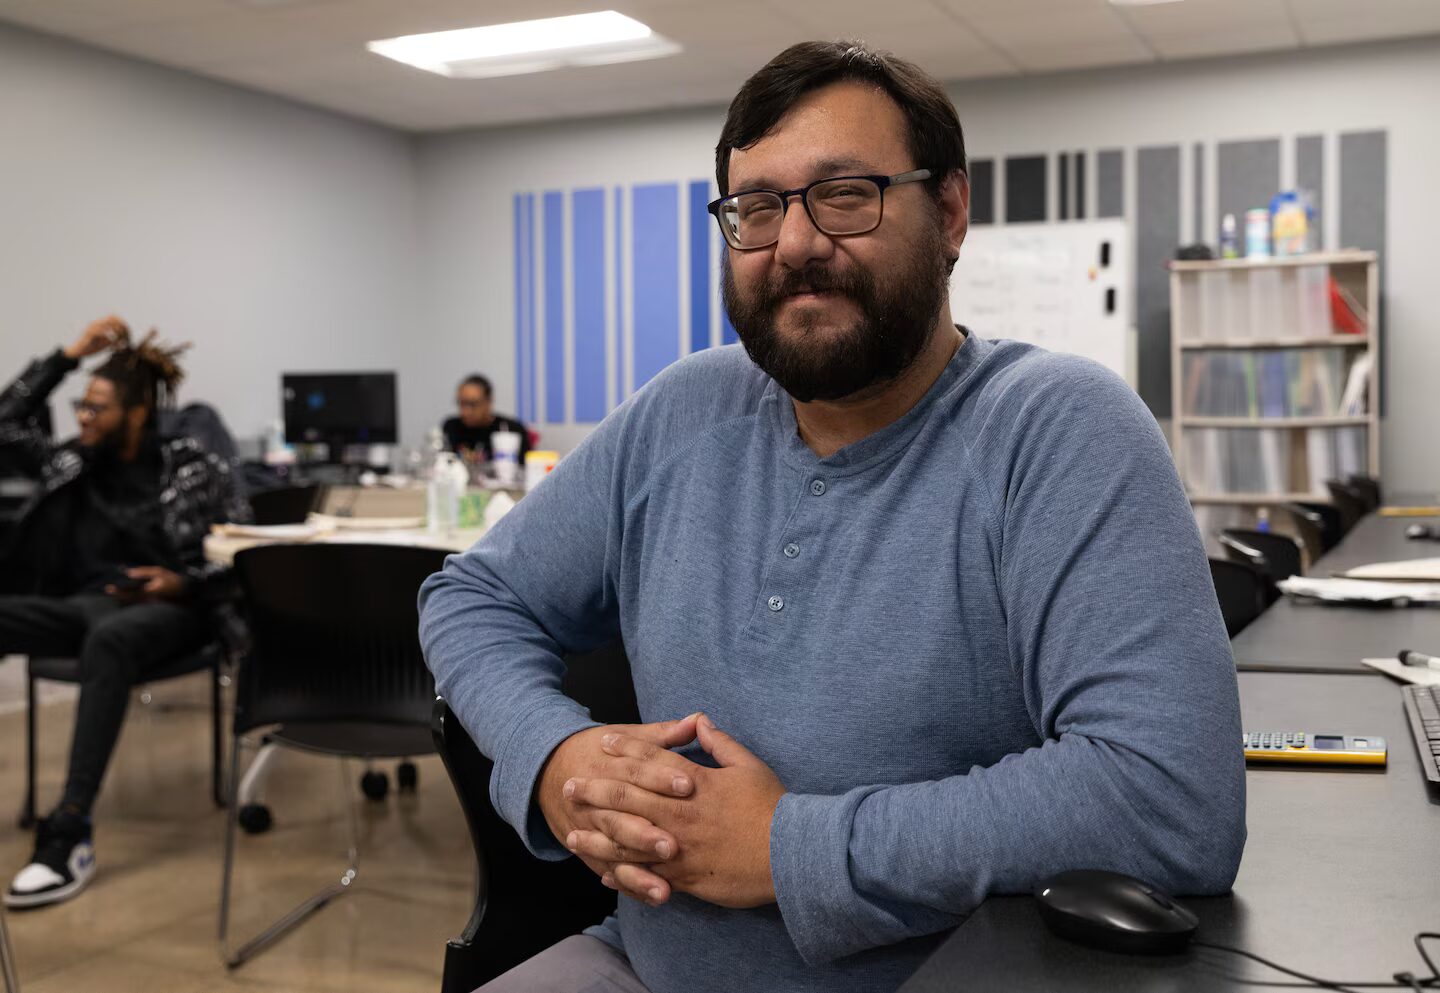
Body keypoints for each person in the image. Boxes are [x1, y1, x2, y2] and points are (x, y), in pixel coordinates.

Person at [419, 41, 1245, 993]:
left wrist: (789, 847)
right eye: (757, 207)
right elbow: (470, 595)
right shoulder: (683, 411)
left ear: (949, 212)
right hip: (641, 966)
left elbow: (1170, 795)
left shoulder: (1059, 428)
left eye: (845, 193)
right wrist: (554, 755)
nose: (797, 242)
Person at [0, 316, 250, 909]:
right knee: (85, 627)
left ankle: (68, 834)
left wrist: (180, 582)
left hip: (175, 610)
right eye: (81, 406)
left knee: (110, 641)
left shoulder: (192, 462)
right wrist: (70, 354)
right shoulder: (74, 460)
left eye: (97, 408)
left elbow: (241, 547)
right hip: (86, 605)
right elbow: (6, 423)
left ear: (137, 413)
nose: (83, 418)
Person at [442, 374, 530, 463]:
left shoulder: (512, 429)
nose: (466, 411)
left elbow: (524, 468)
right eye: (461, 403)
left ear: (489, 401)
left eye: (473, 404)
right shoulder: (451, 427)